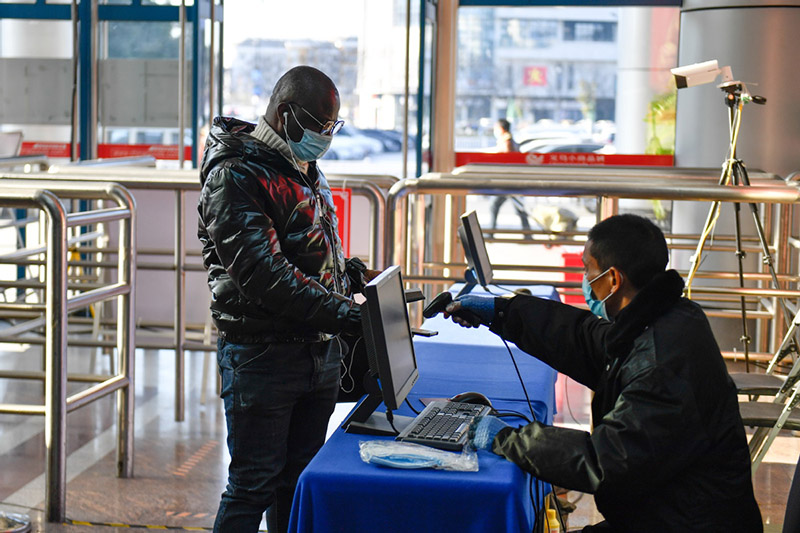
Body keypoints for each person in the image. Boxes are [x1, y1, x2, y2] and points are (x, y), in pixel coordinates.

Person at [445, 214, 762, 532]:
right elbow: (584, 339)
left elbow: (604, 460)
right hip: (671, 510)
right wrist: (501, 312)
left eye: (587, 269)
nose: (584, 278)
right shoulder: (668, 316)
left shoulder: (661, 367)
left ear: (613, 280)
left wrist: (504, 438)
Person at [198, 66, 377, 533]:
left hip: (316, 351)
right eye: (320, 125)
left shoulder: (302, 165)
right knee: (253, 484)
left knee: (296, 484)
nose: (325, 137)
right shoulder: (235, 174)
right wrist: (344, 314)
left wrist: (350, 275)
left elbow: (307, 246)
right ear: (284, 114)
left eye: (332, 127)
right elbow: (265, 275)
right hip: (263, 355)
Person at [489, 118, 531, 239]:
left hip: (508, 181)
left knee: (496, 205)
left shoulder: (507, 142)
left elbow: (507, 161)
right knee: (518, 208)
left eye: (496, 128)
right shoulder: (510, 141)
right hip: (511, 181)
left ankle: (491, 232)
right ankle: (527, 234)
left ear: (501, 129)